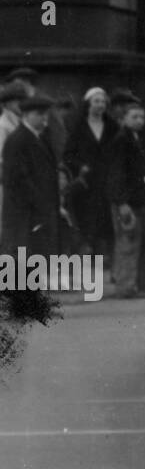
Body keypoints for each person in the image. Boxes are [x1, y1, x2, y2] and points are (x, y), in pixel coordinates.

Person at [0, 94, 64, 321]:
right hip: (22, 211)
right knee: (20, 255)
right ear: (26, 115)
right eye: (39, 114)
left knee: (35, 255)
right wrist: (38, 206)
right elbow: (18, 179)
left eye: (46, 114)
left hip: (38, 209)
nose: (44, 118)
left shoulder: (38, 136)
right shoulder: (18, 140)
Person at [104, 98, 145, 299]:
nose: (139, 120)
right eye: (134, 116)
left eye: (142, 116)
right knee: (128, 242)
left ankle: (141, 283)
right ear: (124, 119)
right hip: (126, 201)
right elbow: (115, 174)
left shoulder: (139, 138)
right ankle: (126, 286)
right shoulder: (121, 140)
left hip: (139, 199)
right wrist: (121, 202)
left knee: (143, 242)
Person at [62, 87, 118, 260]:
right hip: (87, 180)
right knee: (87, 214)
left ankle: (106, 253)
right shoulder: (79, 127)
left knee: (106, 214)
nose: (100, 105)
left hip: (107, 177)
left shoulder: (112, 126)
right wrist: (80, 167)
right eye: (96, 101)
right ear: (88, 104)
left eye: (103, 102)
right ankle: (88, 251)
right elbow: (68, 155)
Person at [0, 81, 26, 226]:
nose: (21, 104)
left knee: (21, 228)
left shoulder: (20, 122)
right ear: (7, 103)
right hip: (9, 184)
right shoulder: (3, 126)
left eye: (23, 100)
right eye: (17, 100)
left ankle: (20, 250)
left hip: (22, 182)